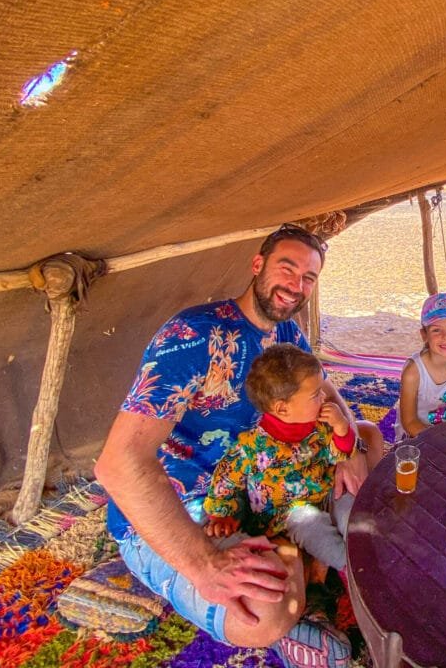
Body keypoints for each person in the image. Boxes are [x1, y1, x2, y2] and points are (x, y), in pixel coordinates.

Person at [95, 223, 383, 662]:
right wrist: (202, 564)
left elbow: (323, 389)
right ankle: (306, 589)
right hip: (204, 504)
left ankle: (307, 568)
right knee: (265, 609)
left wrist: (353, 449)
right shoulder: (194, 336)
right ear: (257, 265)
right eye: (287, 269)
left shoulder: (286, 333)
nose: (296, 286)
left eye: (308, 278)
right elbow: (118, 464)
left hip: (271, 478)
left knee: (371, 437)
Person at [204, 344, 355, 574]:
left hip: (326, 491)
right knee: (312, 528)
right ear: (282, 408)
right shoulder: (252, 447)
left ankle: (364, 548)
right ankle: (351, 569)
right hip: (289, 513)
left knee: (353, 511)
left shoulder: (320, 424)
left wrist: (342, 427)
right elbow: (224, 480)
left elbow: (338, 454)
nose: (324, 397)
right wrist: (221, 515)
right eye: (315, 395)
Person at [396, 292, 446, 440]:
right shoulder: (413, 372)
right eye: (436, 330)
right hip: (415, 436)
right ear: (424, 335)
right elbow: (410, 422)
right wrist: (440, 439)